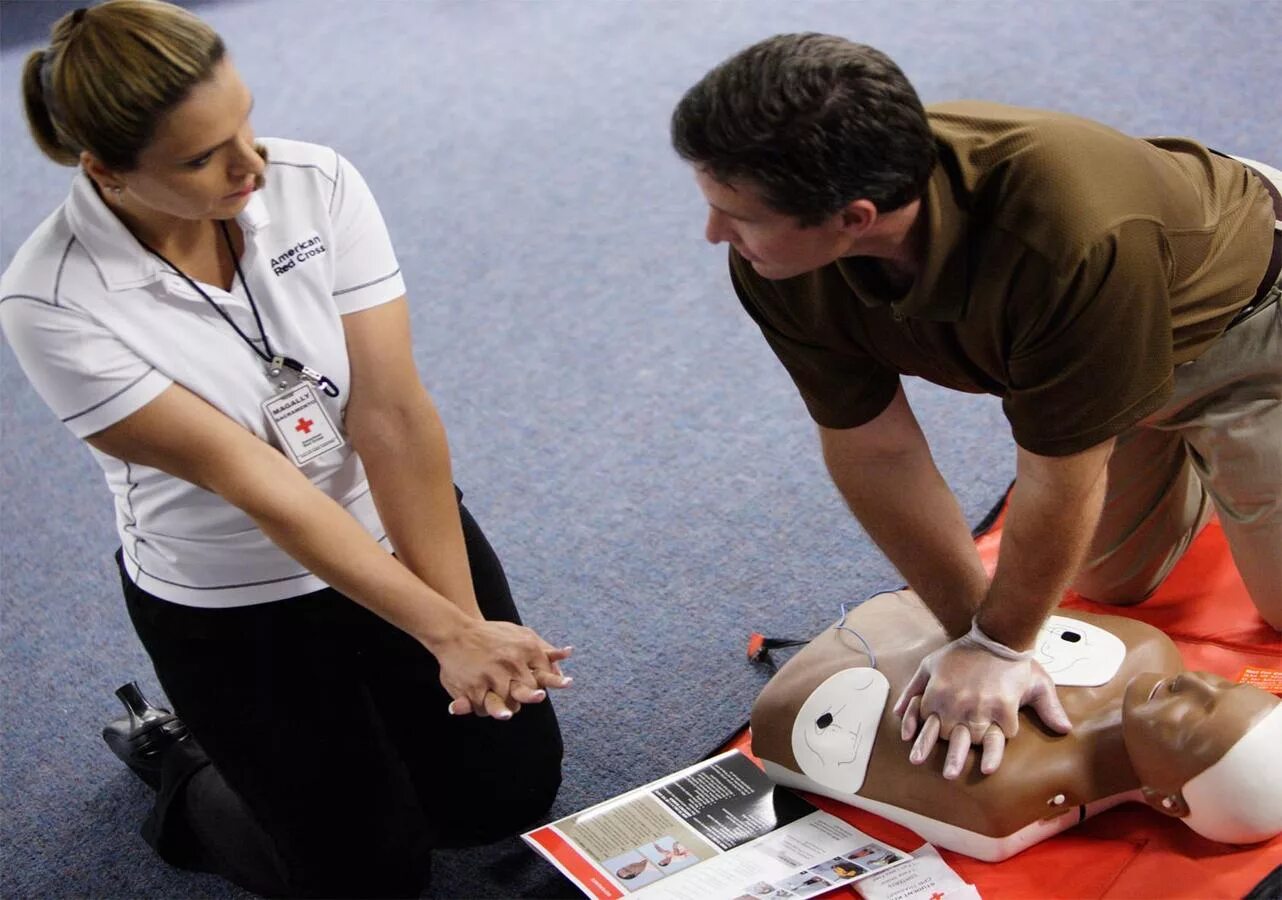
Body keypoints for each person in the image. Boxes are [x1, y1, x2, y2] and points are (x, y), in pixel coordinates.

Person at [2, 2, 571, 896]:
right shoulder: (52, 303)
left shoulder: (315, 183)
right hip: (235, 598)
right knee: (365, 877)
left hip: (387, 531)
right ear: (106, 171)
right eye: (202, 157)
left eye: (247, 120)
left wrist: (468, 635)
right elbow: (260, 483)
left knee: (501, 799)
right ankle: (183, 767)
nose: (251, 165)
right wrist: (443, 633)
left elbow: (393, 414)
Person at [671, 33, 1282, 780]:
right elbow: (875, 448)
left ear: (855, 218)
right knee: (1108, 587)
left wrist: (1002, 646)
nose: (714, 235)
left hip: (1250, 327)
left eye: (736, 215)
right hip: (1108, 345)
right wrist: (977, 638)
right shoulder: (780, 260)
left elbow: (1062, 473)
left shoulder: (1070, 234)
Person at [750, 589, 1282, 861]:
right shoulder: (1149, 648)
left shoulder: (1011, 790)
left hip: (817, 694)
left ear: (1169, 800)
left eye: (1195, 718)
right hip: (901, 619)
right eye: (1226, 686)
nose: (1197, 683)